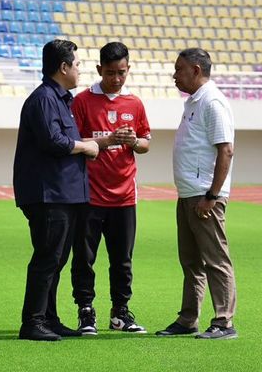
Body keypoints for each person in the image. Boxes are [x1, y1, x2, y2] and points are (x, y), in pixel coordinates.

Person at [13, 39, 100, 341]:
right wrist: (85, 146)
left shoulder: (61, 100)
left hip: (63, 194)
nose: (80, 70)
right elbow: (54, 141)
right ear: (63, 67)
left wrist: (90, 145)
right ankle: (33, 322)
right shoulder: (44, 99)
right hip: (49, 195)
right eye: (77, 65)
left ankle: (48, 318)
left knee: (57, 259)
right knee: (48, 258)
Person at [155, 47, 239, 340]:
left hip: (205, 197)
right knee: (190, 260)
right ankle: (188, 318)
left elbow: (226, 150)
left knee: (216, 259)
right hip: (189, 194)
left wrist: (212, 195)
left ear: (196, 70)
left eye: (179, 69)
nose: (174, 75)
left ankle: (224, 322)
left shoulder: (212, 102)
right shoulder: (194, 102)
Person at [70, 42, 152, 335]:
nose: (116, 79)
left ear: (128, 69)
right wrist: (109, 140)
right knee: (84, 258)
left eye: (121, 72)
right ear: (98, 70)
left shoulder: (135, 103)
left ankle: (120, 313)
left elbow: (144, 143)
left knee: (122, 261)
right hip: (89, 195)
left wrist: (132, 142)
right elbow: (75, 144)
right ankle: (86, 311)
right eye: (110, 72)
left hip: (125, 196)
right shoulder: (82, 102)